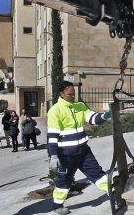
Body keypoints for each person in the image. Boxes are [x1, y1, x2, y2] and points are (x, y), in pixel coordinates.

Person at [47, 81, 112, 215]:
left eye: (74, 94)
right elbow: (52, 136)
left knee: (98, 174)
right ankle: (57, 205)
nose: (73, 97)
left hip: (83, 151)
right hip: (65, 155)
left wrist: (104, 115)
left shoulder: (80, 106)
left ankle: (113, 196)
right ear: (61, 94)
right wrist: (53, 155)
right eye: (70, 94)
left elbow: (94, 119)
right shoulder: (55, 110)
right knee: (64, 180)